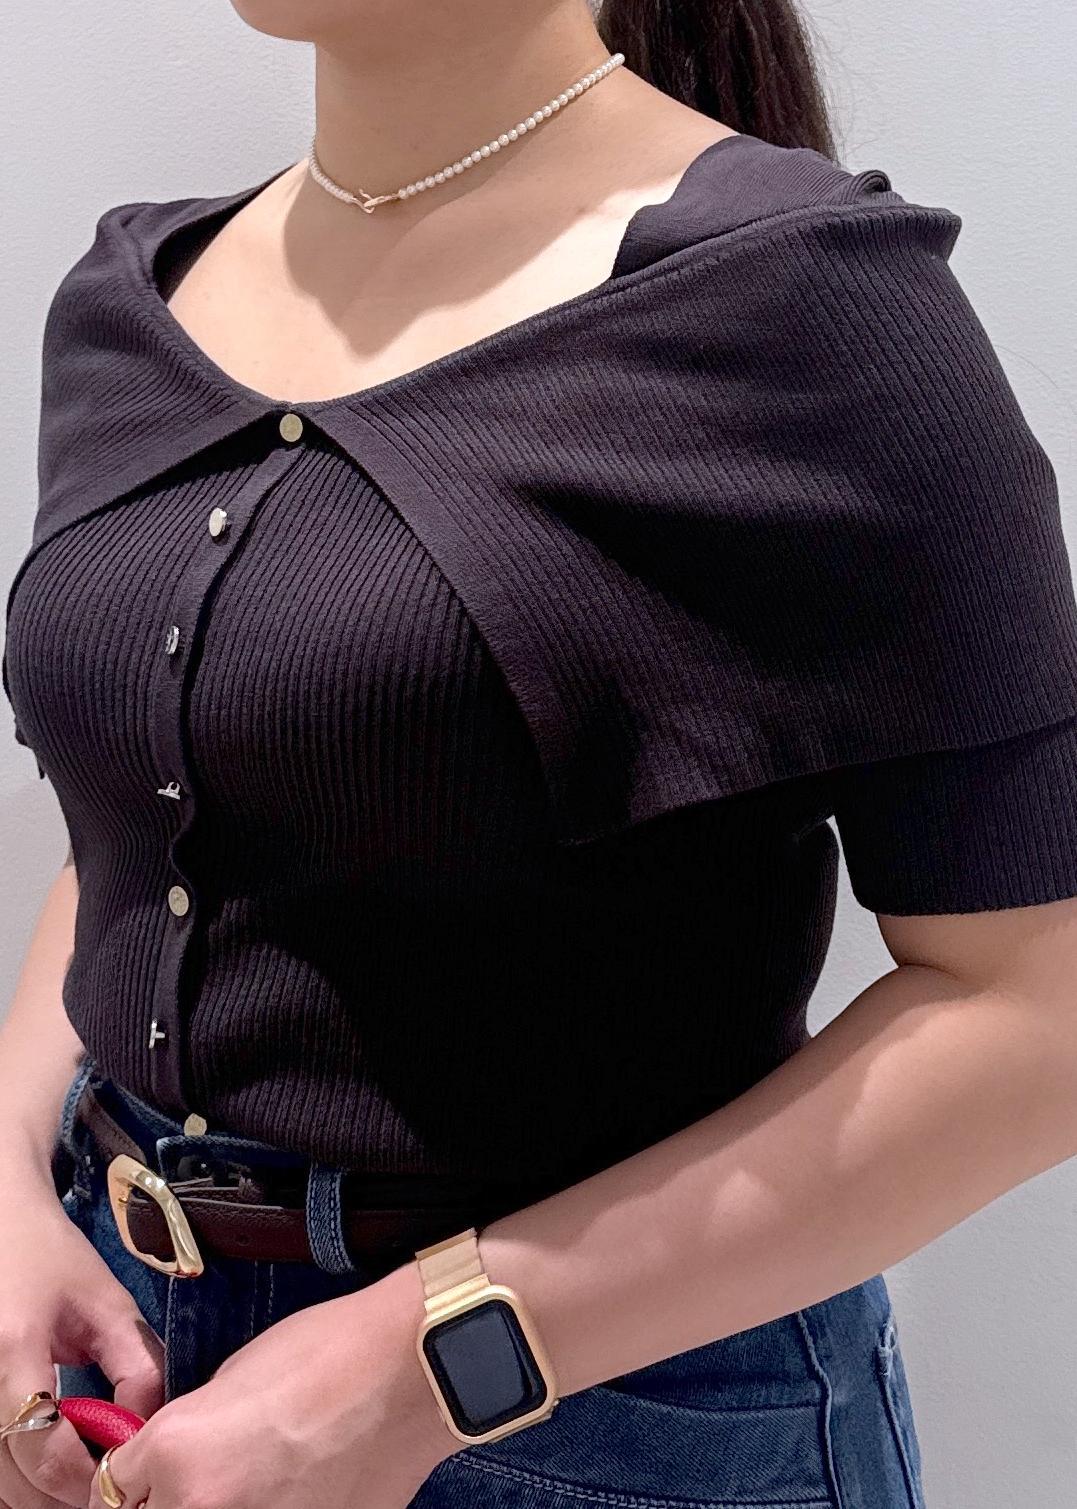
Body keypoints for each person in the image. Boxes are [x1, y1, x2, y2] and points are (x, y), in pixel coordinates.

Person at [3, 1, 1077, 1506]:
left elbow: (1037, 1010)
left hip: (603, 1418)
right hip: (109, 1363)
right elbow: (153, 828)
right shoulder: (135, 296)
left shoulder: (809, 304)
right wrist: (8, 1187)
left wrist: (416, 1370)